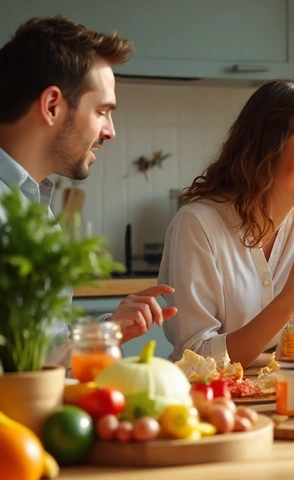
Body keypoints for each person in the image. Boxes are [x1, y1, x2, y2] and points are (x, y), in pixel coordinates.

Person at [0, 16, 177, 364]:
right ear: (52, 105)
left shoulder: (34, 208)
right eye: (102, 111)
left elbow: (42, 357)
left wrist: (110, 330)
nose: (110, 131)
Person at [159, 79, 294, 367]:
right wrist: (288, 303)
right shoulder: (198, 225)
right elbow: (197, 356)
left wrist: (260, 360)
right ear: (266, 151)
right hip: (213, 399)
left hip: (290, 388)